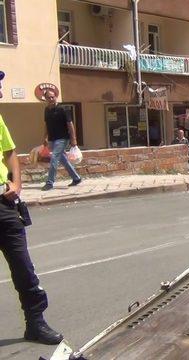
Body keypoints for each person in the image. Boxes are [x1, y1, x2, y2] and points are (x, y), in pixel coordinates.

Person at [0, 71, 64, 344]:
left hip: (3, 204)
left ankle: (35, 323)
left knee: (23, 266)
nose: (1, 93)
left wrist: (17, 182)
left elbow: (10, 152)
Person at [41, 90, 81, 191]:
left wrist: (74, 139)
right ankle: (76, 178)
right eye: (48, 97)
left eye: (52, 97)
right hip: (52, 139)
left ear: (56, 97)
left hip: (63, 138)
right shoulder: (46, 110)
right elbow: (46, 124)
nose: (51, 99)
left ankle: (49, 182)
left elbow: (70, 125)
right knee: (63, 159)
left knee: (54, 158)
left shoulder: (63, 109)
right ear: (45, 99)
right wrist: (45, 137)